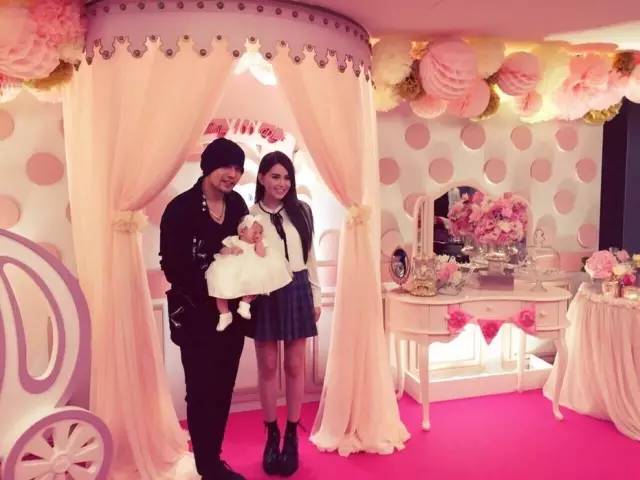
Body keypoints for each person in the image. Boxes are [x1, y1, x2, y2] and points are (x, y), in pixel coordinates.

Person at [159, 137, 248, 480]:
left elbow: (248, 250)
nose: (232, 174)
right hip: (195, 314)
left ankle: (213, 459)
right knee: (200, 391)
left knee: (223, 388)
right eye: (226, 165)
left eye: (238, 168)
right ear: (209, 166)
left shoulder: (237, 204)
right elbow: (172, 266)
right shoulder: (180, 208)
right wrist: (215, 281)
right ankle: (206, 466)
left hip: (231, 316)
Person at [248, 151, 322, 477]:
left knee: (294, 366)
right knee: (267, 366)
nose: (282, 183)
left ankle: (292, 435)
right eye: (275, 176)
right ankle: (271, 435)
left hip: (297, 287)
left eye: (287, 177)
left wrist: (316, 295)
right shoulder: (249, 215)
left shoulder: (302, 211)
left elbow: (310, 255)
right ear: (262, 178)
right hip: (265, 292)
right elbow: (244, 260)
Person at [205, 214, 292, 331]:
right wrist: (231, 250)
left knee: (256, 284)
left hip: (250, 270)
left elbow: (261, 255)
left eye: (260, 232)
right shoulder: (233, 240)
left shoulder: (257, 244)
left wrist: (259, 242)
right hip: (232, 270)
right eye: (254, 232)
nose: (258, 235)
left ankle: (245, 304)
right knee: (219, 285)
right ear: (242, 232)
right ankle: (224, 314)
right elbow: (221, 250)